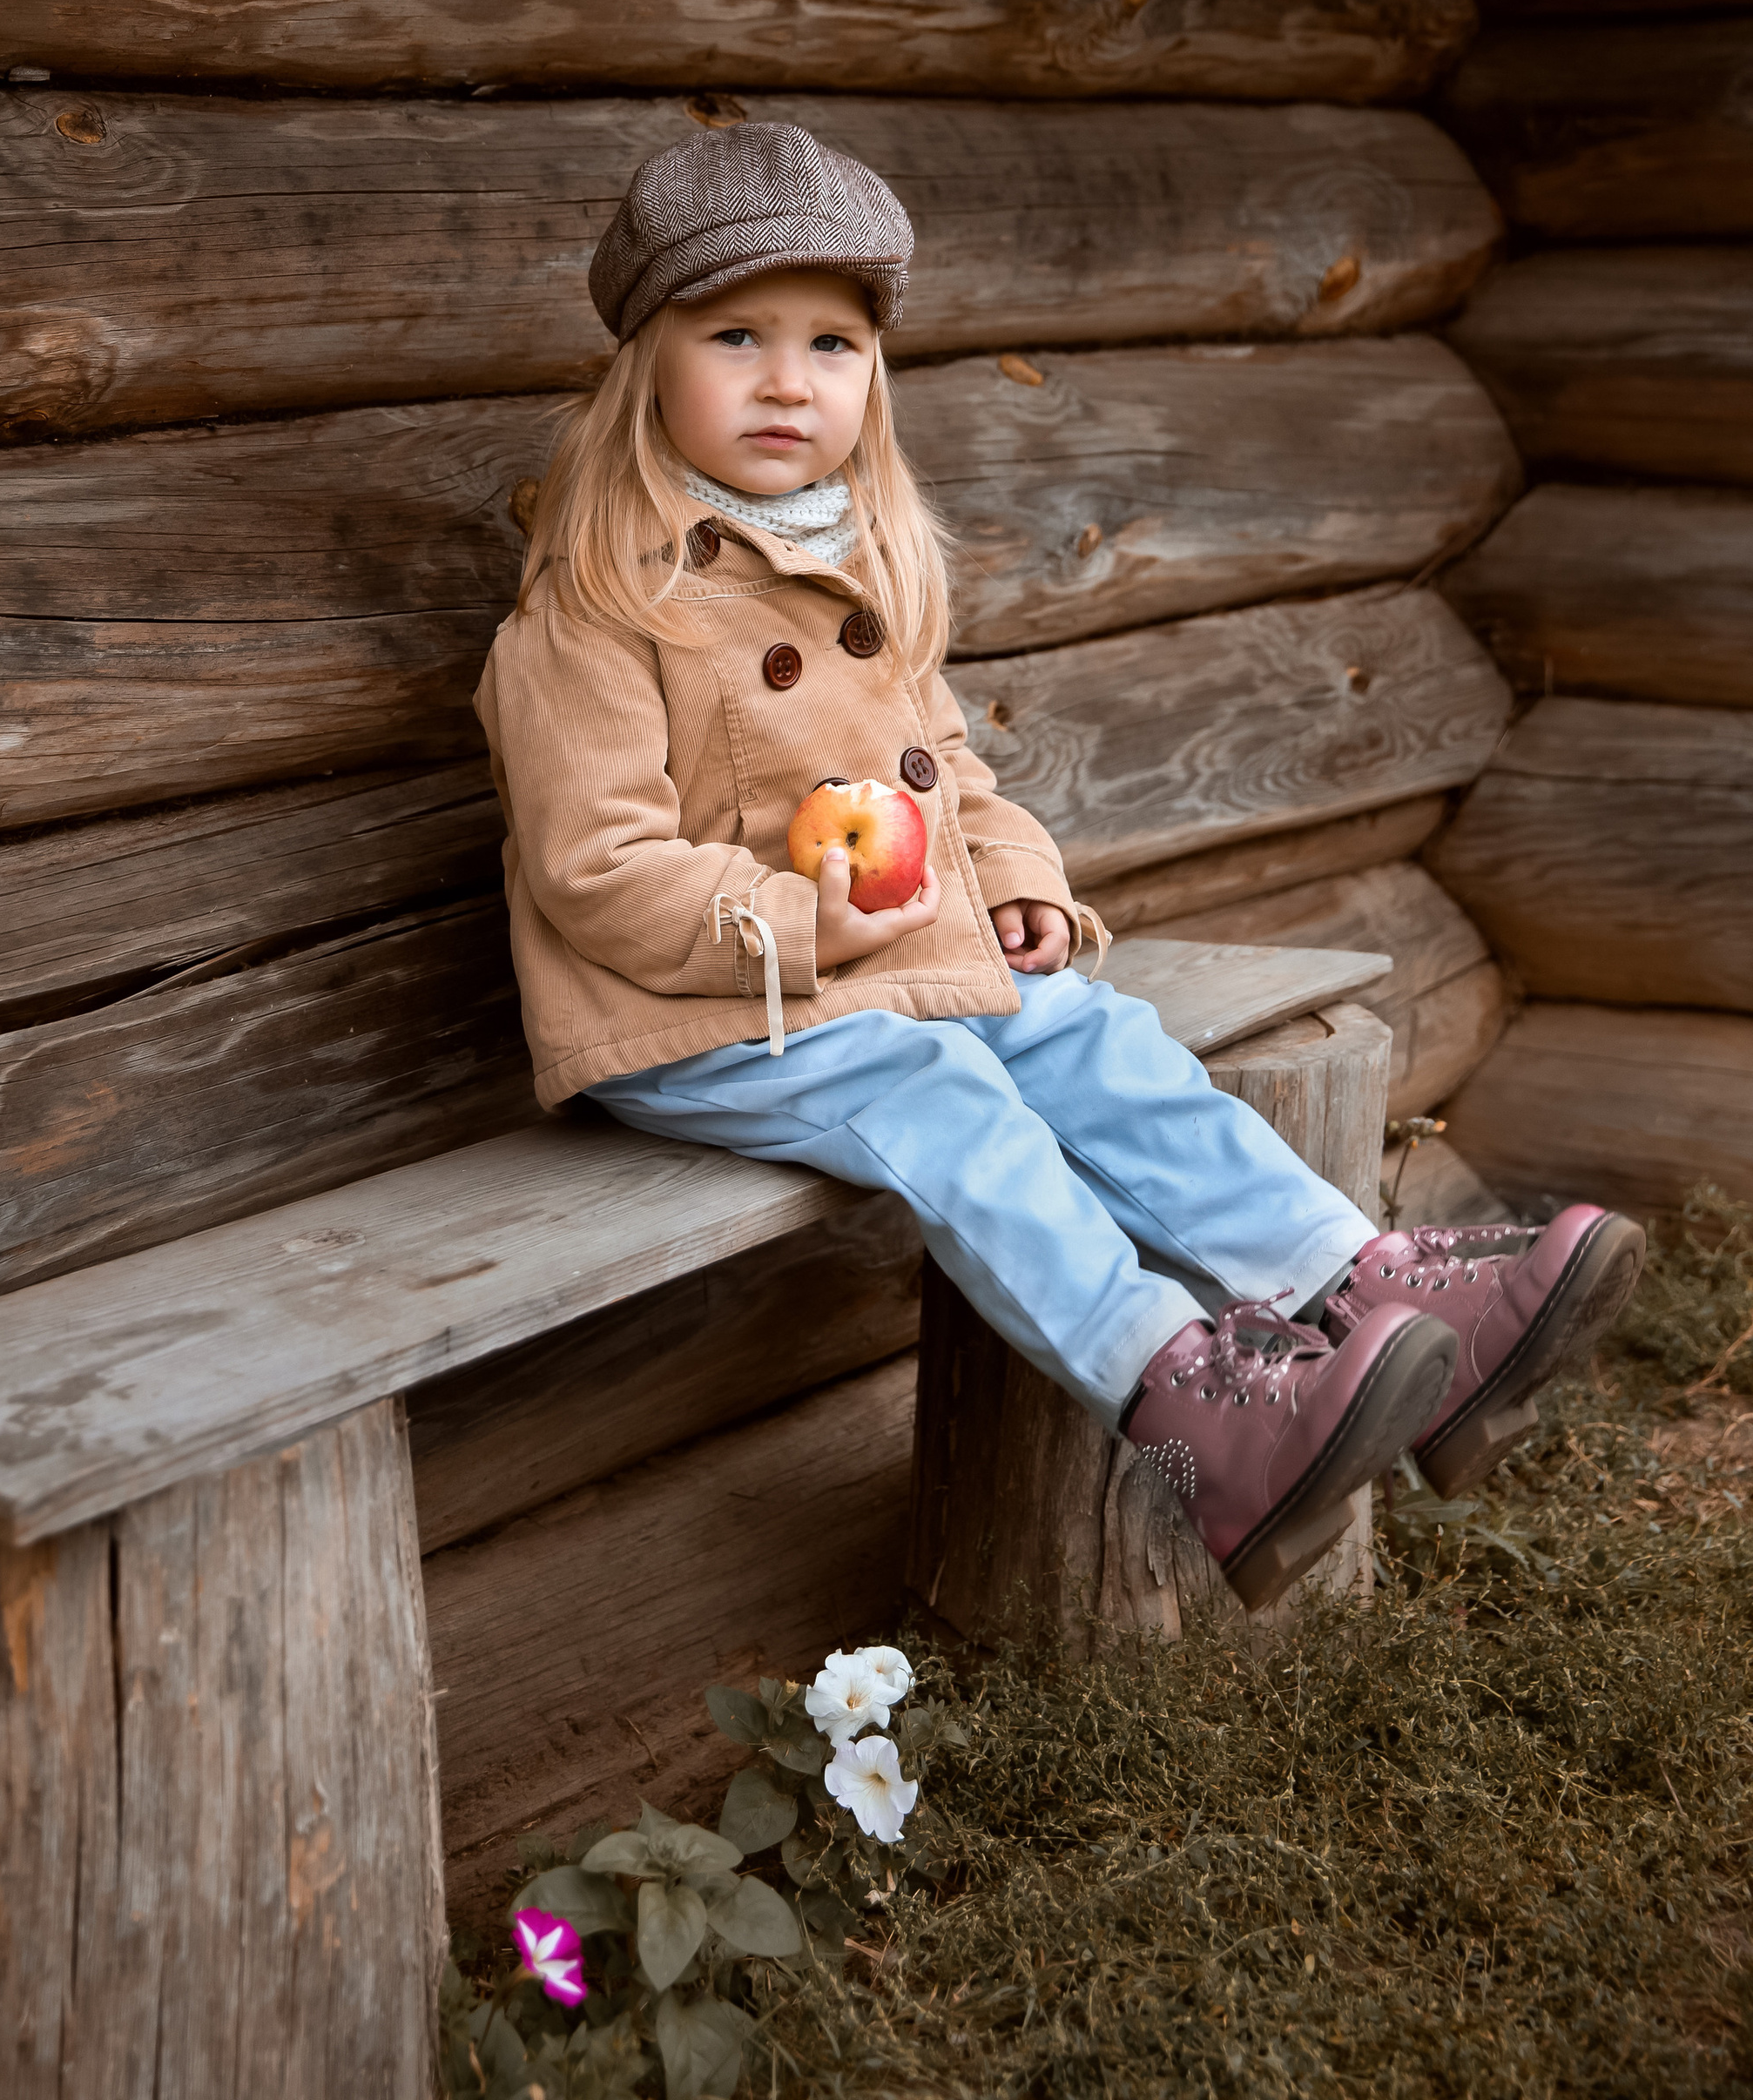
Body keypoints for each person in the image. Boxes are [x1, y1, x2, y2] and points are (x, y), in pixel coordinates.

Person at [475, 119, 1648, 1609]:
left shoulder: (858, 568)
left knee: (1096, 1034)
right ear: (649, 363)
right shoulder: (590, 613)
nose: (789, 378)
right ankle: (1189, 1410)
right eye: (737, 336)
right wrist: (805, 918)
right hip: (696, 1013)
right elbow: (598, 869)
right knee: (941, 1089)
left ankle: (1367, 1284)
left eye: (832, 343)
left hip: (850, 967)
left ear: (872, 380)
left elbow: (945, 769)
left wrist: (1013, 877)